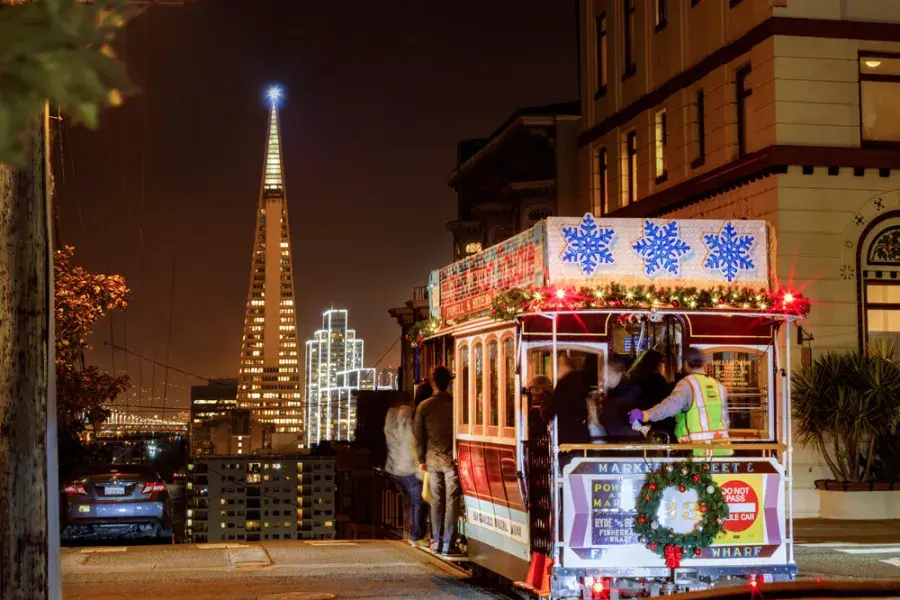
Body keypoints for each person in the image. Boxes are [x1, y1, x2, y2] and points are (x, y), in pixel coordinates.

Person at [629, 347, 731, 455]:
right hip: (720, 449)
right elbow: (726, 419)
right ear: (702, 363)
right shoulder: (718, 385)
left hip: (695, 449)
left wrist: (645, 415)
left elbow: (669, 407)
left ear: (686, 363)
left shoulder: (688, 384)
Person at [413, 366, 462, 556]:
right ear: (449, 382)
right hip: (452, 459)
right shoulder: (456, 404)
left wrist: (421, 459)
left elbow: (418, 436)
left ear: (432, 383)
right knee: (452, 501)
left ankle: (436, 540)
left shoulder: (424, 407)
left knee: (437, 501)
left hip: (433, 459)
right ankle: (449, 543)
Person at [384, 394, 426, 547]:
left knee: (409, 502)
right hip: (409, 469)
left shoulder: (391, 420)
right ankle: (416, 536)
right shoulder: (410, 421)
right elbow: (414, 443)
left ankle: (409, 532)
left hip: (395, 469)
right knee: (418, 502)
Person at [540, 353, 591, 444]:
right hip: (583, 434)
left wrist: (544, 406)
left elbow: (549, 411)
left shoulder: (564, 384)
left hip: (568, 437)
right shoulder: (582, 380)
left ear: (562, 366)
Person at [628, 349, 675, 441]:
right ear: (657, 364)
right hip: (655, 420)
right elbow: (664, 402)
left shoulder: (634, 377)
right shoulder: (658, 380)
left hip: (637, 419)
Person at [599, 356, 643, 441]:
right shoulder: (615, 392)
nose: (604, 377)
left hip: (626, 442)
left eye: (608, 374)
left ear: (619, 373)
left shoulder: (628, 392)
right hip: (621, 440)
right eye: (602, 373)